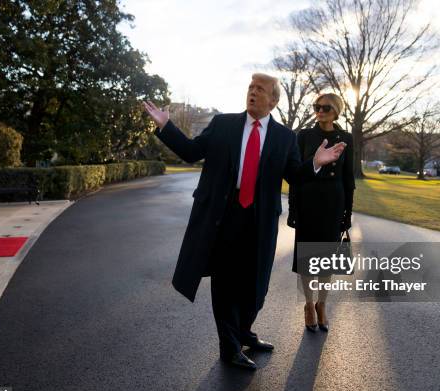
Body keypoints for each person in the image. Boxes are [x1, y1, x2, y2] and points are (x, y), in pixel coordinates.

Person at [142, 73, 345, 370]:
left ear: (273, 100)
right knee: (225, 284)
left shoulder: (284, 137)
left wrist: (315, 162)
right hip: (225, 216)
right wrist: (166, 125)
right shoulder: (223, 125)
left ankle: (244, 331)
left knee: (256, 285)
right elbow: (191, 152)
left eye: (260, 89)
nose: (252, 93)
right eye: (250, 88)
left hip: (260, 220)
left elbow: (294, 176)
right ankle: (230, 346)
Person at [287, 93, 355, 332]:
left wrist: (347, 214)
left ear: (336, 110)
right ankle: (308, 304)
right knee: (306, 258)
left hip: (334, 202)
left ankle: (322, 304)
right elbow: (295, 175)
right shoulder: (304, 135)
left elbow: (349, 179)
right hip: (308, 200)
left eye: (326, 107)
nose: (320, 111)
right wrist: (293, 209)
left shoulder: (346, 138)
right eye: (317, 107)